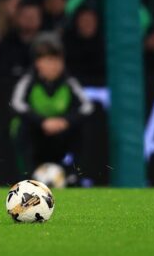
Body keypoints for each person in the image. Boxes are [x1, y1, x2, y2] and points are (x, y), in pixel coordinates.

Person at [9, 34, 93, 186]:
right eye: (48, 60)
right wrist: (42, 122)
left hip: (60, 136)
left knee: (84, 128)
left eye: (57, 60)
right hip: (37, 136)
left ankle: (74, 176)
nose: (53, 65)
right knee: (19, 125)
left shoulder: (69, 82)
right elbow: (16, 104)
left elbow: (87, 107)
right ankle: (27, 175)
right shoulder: (28, 81)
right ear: (37, 63)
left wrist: (65, 121)